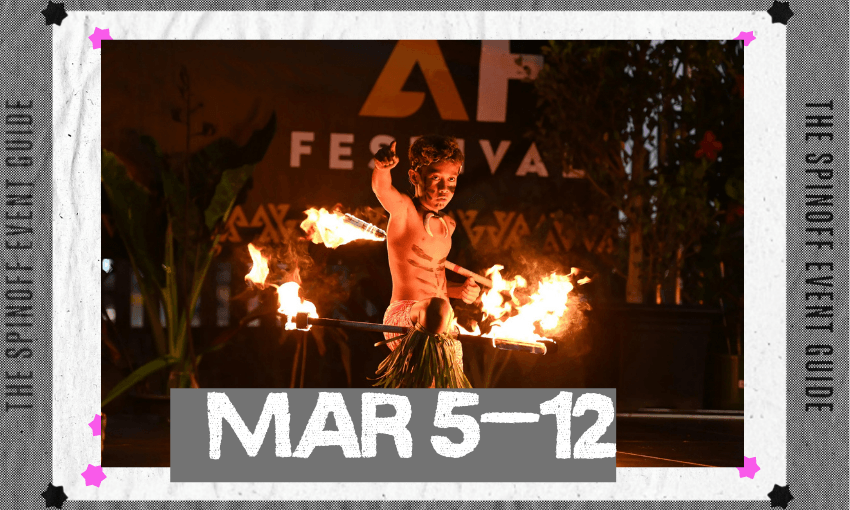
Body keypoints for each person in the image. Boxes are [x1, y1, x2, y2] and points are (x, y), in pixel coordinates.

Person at [371, 135, 480, 388]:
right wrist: (381, 169)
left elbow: (437, 282)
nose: (444, 188)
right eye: (435, 178)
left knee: (445, 391)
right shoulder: (405, 212)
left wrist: (460, 290)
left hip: (439, 322)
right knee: (439, 309)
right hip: (405, 316)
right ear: (414, 177)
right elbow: (382, 189)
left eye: (451, 179)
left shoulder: (448, 225)